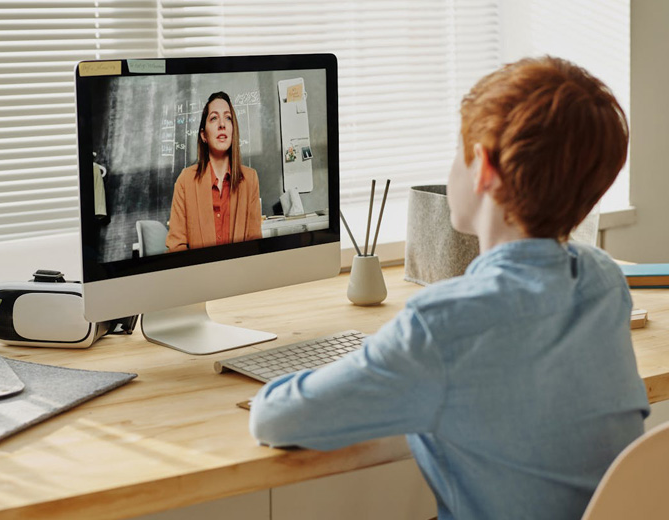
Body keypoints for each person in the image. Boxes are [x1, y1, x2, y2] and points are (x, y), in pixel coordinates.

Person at [249, 56, 650, 520]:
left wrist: (375, 361)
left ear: (482, 166)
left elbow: (274, 418)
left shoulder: (441, 326)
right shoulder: (602, 279)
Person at [166, 92, 263, 252]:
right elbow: (177, 246)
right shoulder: (185, 180)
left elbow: (254, 244)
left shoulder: (250, 179)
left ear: (233, 130)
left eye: (228, 118)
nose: (222, 125)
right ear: (204, 135)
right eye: (213, 118)